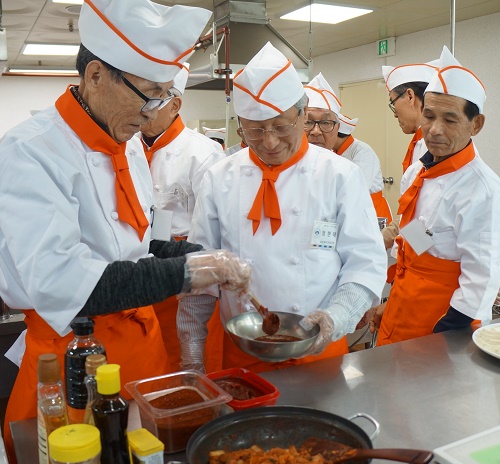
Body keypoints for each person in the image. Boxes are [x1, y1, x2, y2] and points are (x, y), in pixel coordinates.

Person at [0, 0, 250, 464]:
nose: (153, 114)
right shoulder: (32, 152)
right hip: (77, 359)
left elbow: (134, 244)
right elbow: (63, 281)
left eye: (165, 97)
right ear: (95, 77)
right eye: (147, 94)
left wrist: (197, 254)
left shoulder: (124, 144)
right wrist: (184, 272)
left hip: (143, 349)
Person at [176, 42, 387, 373]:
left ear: (302, 115)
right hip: (243, 351)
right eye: (255, 130)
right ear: (240, 124)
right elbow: (200, 275)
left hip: (321, 350)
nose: (270, 142)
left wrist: (338, 316)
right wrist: (192, 356)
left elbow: (366, 264)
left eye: (281, 126)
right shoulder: (219, 178)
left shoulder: (340, 175)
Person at [368, 47, 500, 345]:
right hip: (403, 309)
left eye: (450, 119)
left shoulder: (485, 192)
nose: (434, 130)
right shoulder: (416, 174)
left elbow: (479, 284)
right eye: (429, 115)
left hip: (442, 325)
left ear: (476, 124)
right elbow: (422, 244)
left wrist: (444, 341)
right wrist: (393, 302)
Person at [137, 63, 226, 372]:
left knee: (190, 369)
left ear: (175, 104)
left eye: (153, 100)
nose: (142, 109)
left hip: (186, 282)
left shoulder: (202, 154)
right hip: (141, 281)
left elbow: (212, 235)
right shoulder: (129, 149)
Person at [304, 73, 392, 224]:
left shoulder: (360, 154)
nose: (316, 131)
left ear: (336, 129)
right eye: (308, 122)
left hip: (368, 212)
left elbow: (357, 190)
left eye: (326, 124)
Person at [380, 56, 439, 248]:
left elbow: (423, 214)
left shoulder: (432, 148)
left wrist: (395, 240)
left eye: (393, 103)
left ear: (410, 96)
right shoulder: (419, 143)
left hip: (427, 253)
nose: (395, 113)